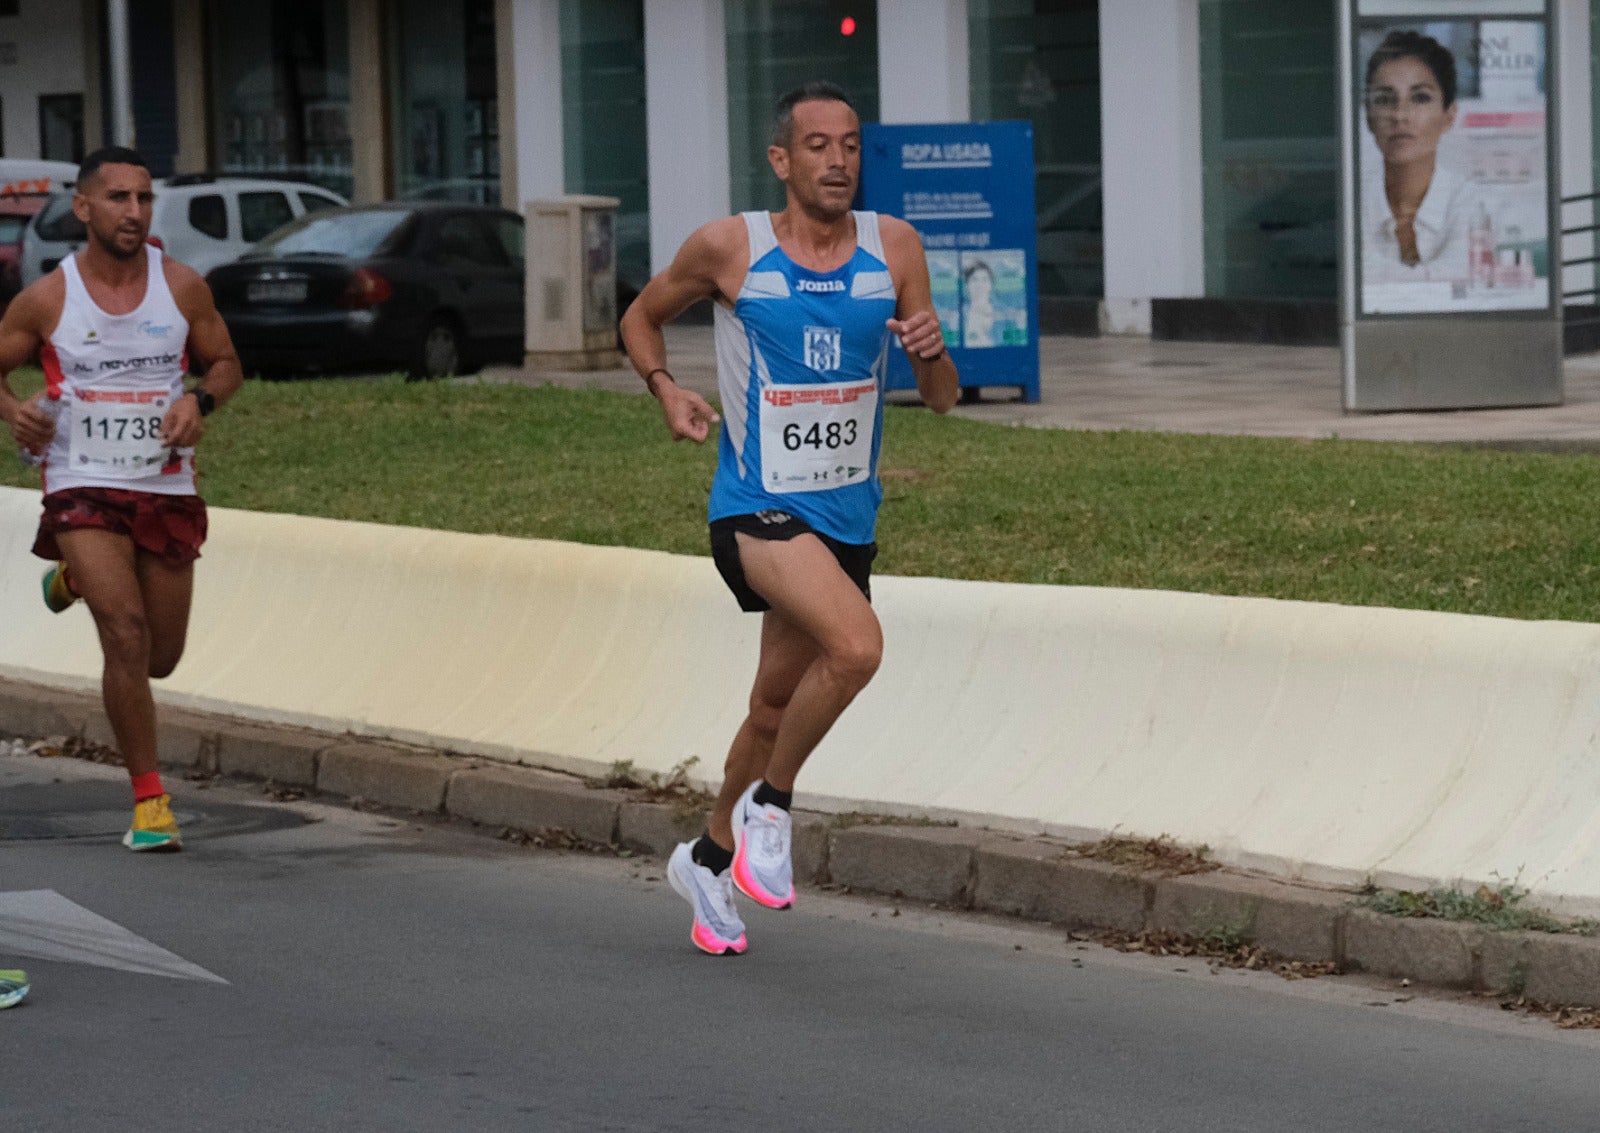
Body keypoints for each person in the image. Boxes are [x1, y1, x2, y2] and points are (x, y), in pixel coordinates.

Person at [619, 82, 958, 955]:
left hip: (847, 514)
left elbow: (944, 400)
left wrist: (934, 354)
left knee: (772, 705)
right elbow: (639, 317)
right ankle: (772, 807)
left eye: (849, 145)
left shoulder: (898, 248)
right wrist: (665, 389)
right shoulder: (732, 248)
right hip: (755, 507)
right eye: (817, 146)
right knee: (859, 647)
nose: (837, 160)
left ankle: (708, 851)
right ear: (782, 160)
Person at [0, 146, 243, 852]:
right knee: (125, 633)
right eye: (118, 199)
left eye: (143, 199)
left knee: (161, 656)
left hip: (162, 481)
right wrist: (14, 413)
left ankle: (73, 579)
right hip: (80, 483)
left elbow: (226, 364)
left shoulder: (183, 288)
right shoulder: (47, 297)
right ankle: (149, 800)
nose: (133, 212)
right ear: (84, 208)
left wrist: (199, 401)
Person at [1360, 29, 1477, 286]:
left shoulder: (1472, 202)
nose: (1400, 115)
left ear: (1449, 116)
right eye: (1384, 99)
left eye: (1420, 97)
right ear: (1369, 118)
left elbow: (1461, 276)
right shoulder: (1353, 203)